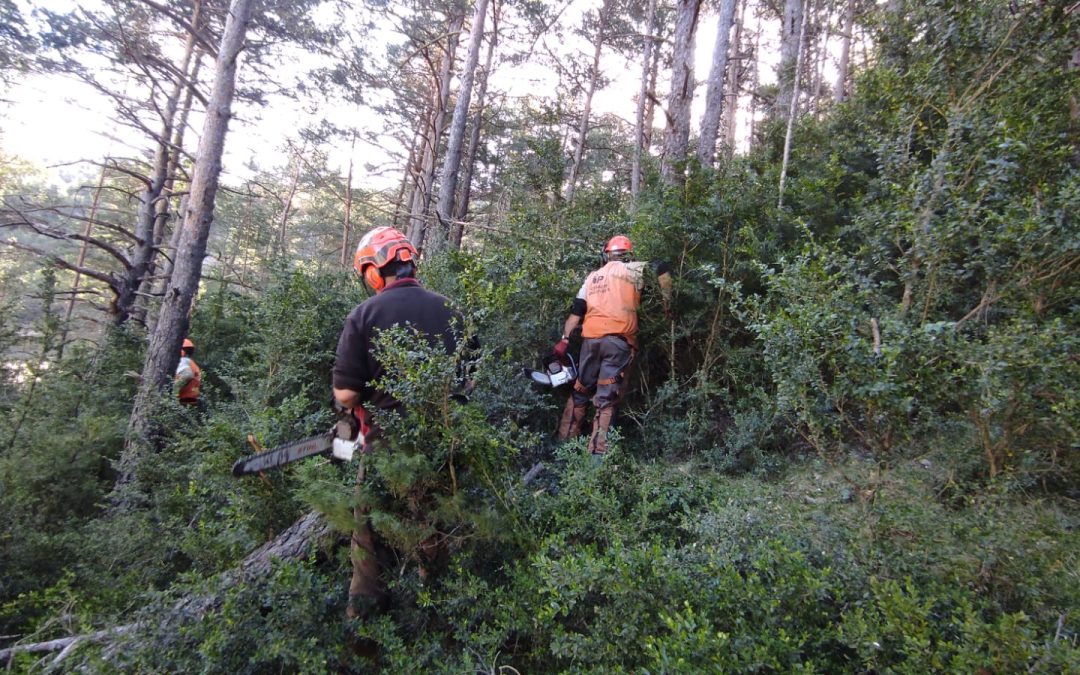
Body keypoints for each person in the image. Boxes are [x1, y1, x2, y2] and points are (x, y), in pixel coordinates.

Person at [332, 225, 469, 619]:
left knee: (367, 537)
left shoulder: (365, 313)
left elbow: (345, 395)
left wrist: (352, 417)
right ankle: (434, 609)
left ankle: (365, 622)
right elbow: (471, 376)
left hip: (383, 445)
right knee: (432, 527)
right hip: (440, 442)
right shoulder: (451, 309)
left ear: (375, 269)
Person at [553, 235, 672, 456]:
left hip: (590, 342)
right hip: (619, 342)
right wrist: (667, 304)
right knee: (606, 400)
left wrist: (564, 340)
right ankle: (597, 458)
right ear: (628, 255)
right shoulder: (635, 270)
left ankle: (563, 449)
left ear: (607, 254)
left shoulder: (591, 278)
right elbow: (662, 269)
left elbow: (575, 314)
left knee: (579, 392)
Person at [175, 338, 201, 405]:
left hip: (183, 400)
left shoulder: (183, 361)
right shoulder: (192, 363)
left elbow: (187, 375)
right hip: (192, 400)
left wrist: (173, 389)